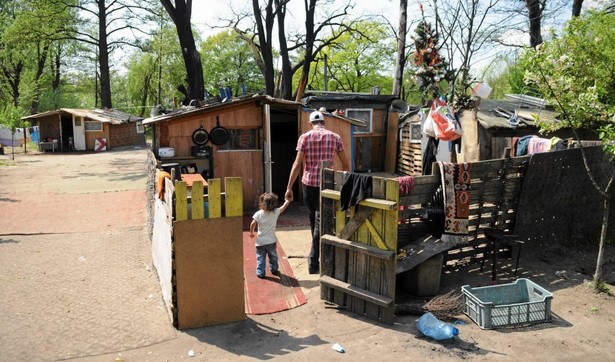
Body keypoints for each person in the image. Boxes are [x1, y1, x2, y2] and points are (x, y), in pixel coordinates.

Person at [285, 110, 349, 274]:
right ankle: (317, 251)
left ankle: (313, 259)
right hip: (327, 184)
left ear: (310, 123)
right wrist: (344, 183)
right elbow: (345, 164)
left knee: (315, 217)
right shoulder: (335, 137)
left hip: (309, 184)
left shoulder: (304, 137)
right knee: (319, 219)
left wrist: (289, 187)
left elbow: (297, 164)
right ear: (324, 122)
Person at [250, 192, 291, 278]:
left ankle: (260, 273)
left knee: (260, 257)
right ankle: (274, 269)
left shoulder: (258, 214)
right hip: (271, 241)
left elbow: (253, 223)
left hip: (260, 242)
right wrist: (287, 200)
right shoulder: (275, 212)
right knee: (273, 257)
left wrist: (252, 233)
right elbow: (284, 207)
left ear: (263, 204)